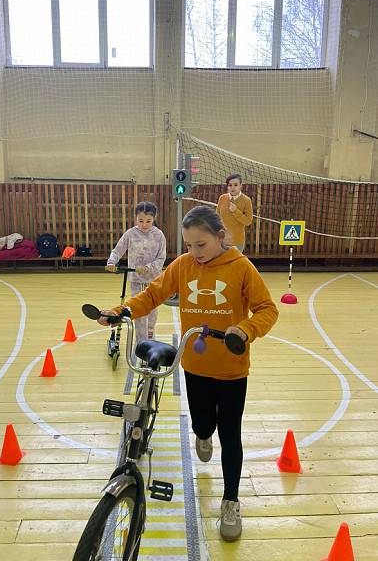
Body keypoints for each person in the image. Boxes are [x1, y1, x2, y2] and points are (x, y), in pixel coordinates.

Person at [99, 206, 278, 542]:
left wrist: (246, 329)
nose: (195, 252)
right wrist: (122, 311)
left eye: (201, 245)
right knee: (202, 426)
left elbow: (267, 309)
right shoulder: (183, 265)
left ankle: (230, 501)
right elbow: (153, 294)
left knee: (230, 434)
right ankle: (203, 434)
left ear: (220, 237)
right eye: (189, 245)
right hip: (195, 367)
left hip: (232, 371)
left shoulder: (241, 268)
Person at [106, 201, 166, 342]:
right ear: (135, 218)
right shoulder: (130, 234)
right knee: (137, 310)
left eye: (148, 221)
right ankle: (140, 343)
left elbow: (161, 258)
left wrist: (149, 267)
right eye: (140, 221)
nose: (144, 224)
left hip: (153, 280)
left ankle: (150, 338)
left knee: (152, 311)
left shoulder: (158, 235)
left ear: (154, 219)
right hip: (136, 280)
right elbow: (117, 250)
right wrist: (111, 262)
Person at [216, 173, 253, 253]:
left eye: (235, 185)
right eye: (230, 185)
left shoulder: (246, 200)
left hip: (237, 242)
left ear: (241, 186)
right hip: (222, 241)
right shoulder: (222, 198)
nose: (232, 187)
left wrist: (235, 211)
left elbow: (248, 221)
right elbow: (217, 218)